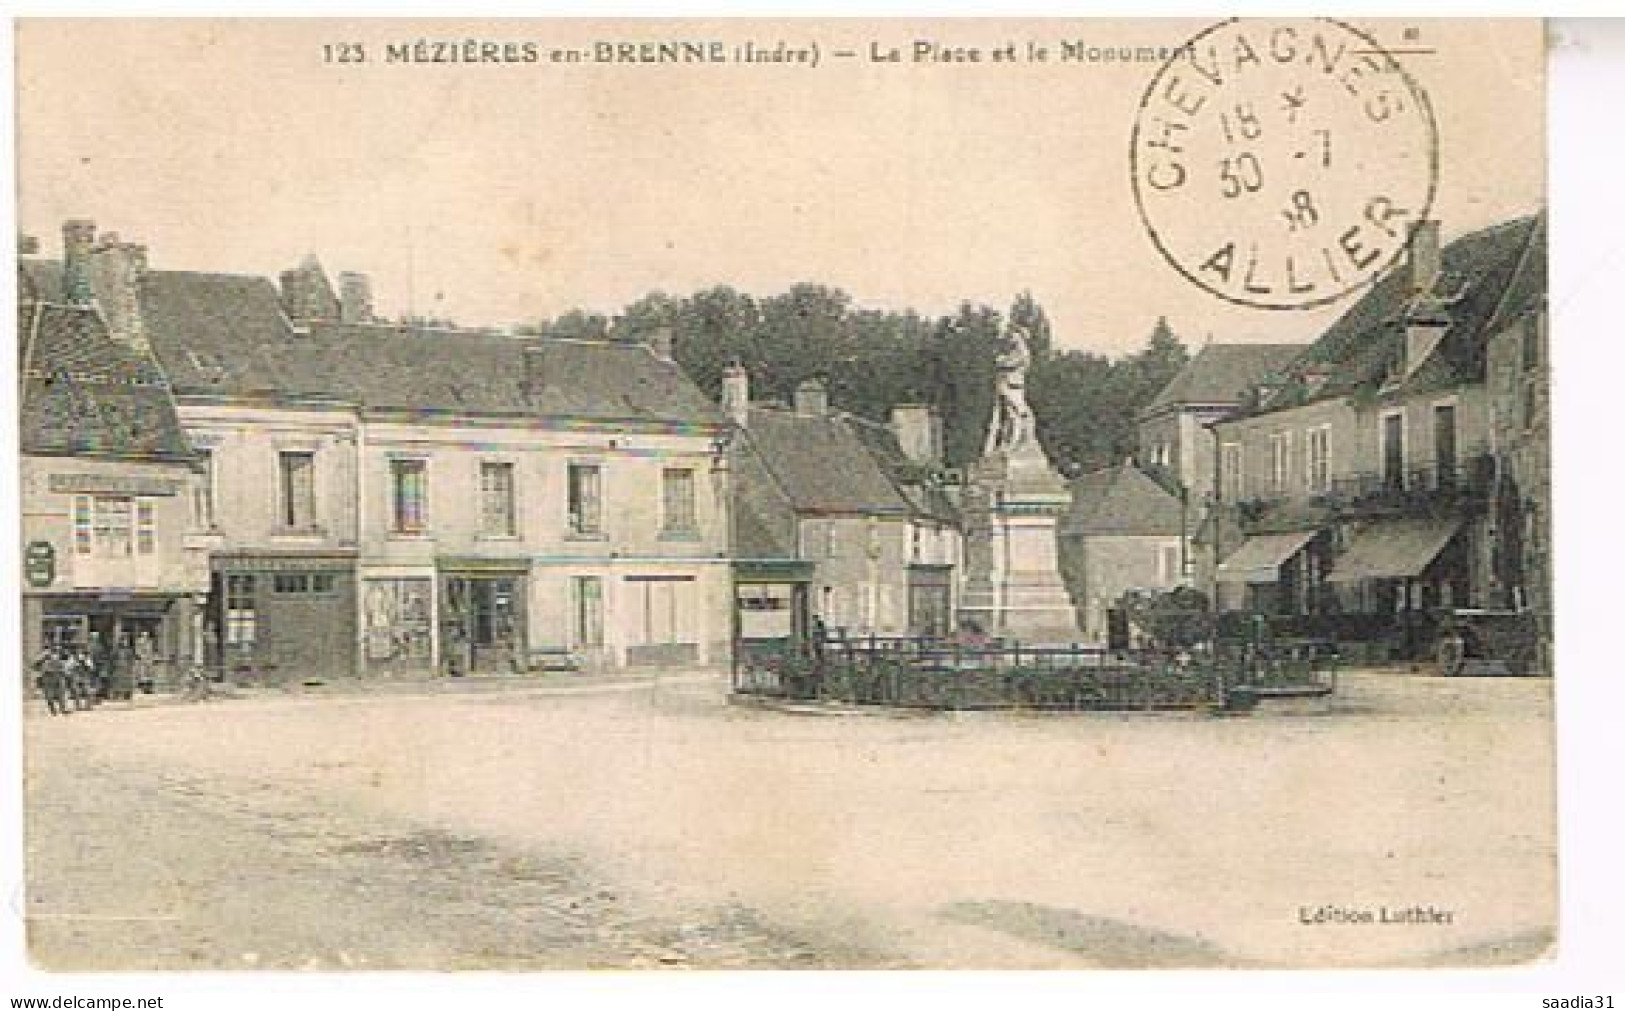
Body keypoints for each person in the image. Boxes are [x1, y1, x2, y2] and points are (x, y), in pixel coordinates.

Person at [33, 647, 70, 716]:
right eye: (53, 653)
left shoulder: (60, 662)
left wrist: (62, 674)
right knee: (49, 697)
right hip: (47, 680)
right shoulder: (43, 661)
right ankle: (53, 710)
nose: (54, 656)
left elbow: (64, 671)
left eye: (56, 654)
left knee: (61, 696)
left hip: (58, 679)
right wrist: (42, 657)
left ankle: (63, 709)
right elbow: (35, 666)